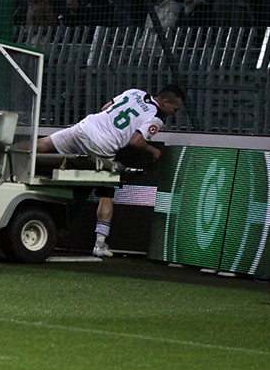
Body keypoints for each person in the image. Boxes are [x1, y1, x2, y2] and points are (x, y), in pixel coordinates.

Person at [34, 85, 185, 257]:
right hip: (102, 147)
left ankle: (11, 156)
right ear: (165, 102)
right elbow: (136, 141)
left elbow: (105, 107)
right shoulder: (156, 118)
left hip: (85, 128)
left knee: (42, 144)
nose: (174, 113)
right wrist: (152, 150)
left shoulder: (135, 92)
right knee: (106, 194)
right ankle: (100, 245)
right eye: (175, 109)